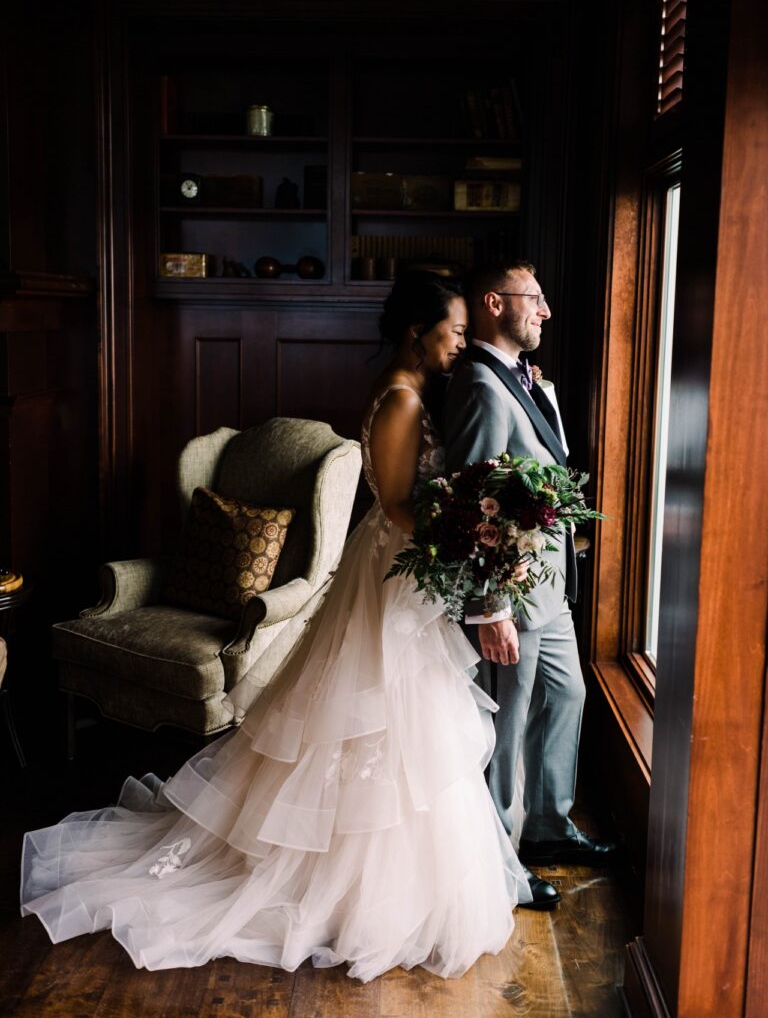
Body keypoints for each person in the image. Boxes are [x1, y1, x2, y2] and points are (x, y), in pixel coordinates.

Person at [20, 271, 531, 982]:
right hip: (390, 573)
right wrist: (465, 536)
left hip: (408, 576)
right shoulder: (401, 400)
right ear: (420, 333)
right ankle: (349, 885)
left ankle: (400, 884)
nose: (461, 345)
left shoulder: (419, 392)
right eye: (453, 332)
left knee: (415, 729)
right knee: (380, 721)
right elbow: (392, 504)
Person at [444, 261, 618, 911]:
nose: (545, 311)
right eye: (533, 300)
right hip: (509, 599)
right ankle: (500, 866)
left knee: (567, 697)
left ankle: (548, 826)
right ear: (494, 303)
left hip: (552, 591)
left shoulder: (530, 386)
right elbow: (470, 502)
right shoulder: (482, 388)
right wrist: (489, 607)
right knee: (507, 728)